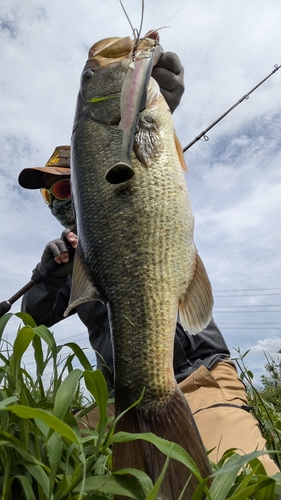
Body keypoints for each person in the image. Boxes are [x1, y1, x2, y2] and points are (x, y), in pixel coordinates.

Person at [18, 52, 279, 476]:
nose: (62, 198)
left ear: (93, 171)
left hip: (199, 375)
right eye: (53, 194)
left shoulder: (134, 189)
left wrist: (142, 114)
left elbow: (144, 162)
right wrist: (45, 279)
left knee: (247, 482)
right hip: (123, 397)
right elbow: (33, 321)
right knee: (50, 467)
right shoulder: (70, 261)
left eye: (68, 184)